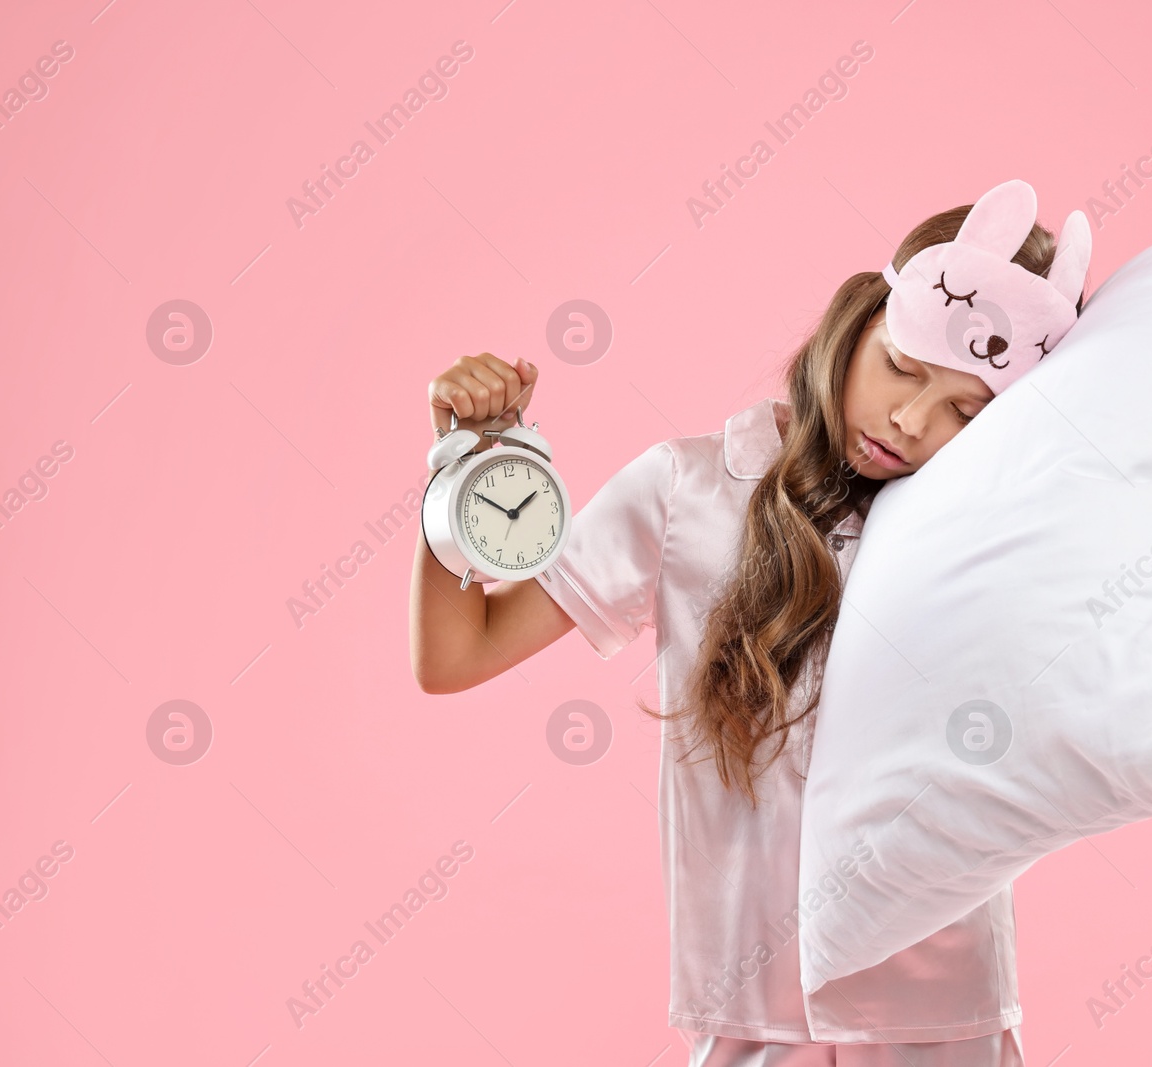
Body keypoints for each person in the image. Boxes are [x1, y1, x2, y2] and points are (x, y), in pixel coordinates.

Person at [409, 186, 1088, 1066]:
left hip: (945, 1012)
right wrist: (466, 467)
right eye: (904, 366)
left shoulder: (982, 537)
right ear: (859, 321)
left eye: (967, 410)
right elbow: (457, 653)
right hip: (757, 1011)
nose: (910, 422)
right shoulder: (687, 489)